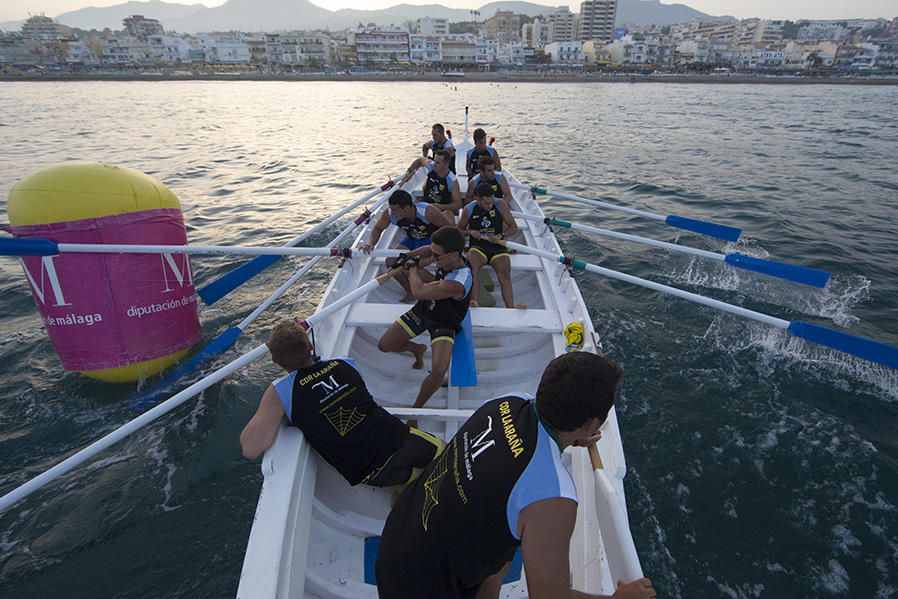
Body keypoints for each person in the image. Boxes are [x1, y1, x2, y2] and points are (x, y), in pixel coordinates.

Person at [375, 351, 656, 599]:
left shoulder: (507, 402)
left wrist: (575, 436)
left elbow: (526, 442)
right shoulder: (552, 496)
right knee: (513, 529)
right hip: (417, 589)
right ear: (589, 423)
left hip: (395, 542)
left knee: (506, 533)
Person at [240, 321, 444, 487]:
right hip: (399, 440)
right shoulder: (344, 364)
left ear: (275, 360)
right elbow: (361, 393)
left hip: (372, 473)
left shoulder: (281, 391)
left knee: (416, 475)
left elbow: (250, 449)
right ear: (311, 347)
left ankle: (412, 482)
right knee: (442, 452)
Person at [377, 226, 472, 422]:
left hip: (445, 320)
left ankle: (416, 410)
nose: (433, 258)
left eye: (437, 257)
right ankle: (417, 349)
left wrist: (412, 268)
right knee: (385, 345)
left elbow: (418, 291)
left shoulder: (458, 282)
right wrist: (408, 255)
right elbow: (428, 250)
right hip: (425, 310)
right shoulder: (448, 256)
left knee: (438, 370)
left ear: (454, 255)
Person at [362, 189, 453, 302]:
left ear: (406, 208)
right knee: (390, 261)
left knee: (409, 266)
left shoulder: (427, 211)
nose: (392, 212)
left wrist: (435, 250)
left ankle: (439, 286)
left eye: (395, 210)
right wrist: (370, 244)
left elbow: (449, 231)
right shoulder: (390, 214)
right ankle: (410, 291)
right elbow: (378, 228)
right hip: (412, 238)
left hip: (430, 240)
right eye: (391, 209)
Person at [459, 182, 525, 309]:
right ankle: (474, 302)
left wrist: (501, 235)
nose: (490, 205)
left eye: (491, 202)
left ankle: (510, 307)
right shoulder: (469, 209)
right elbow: (459, 230)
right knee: (472, 269)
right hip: (478, 247)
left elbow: (513, 228)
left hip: (497, 246)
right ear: (477, 199)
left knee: (505, 272)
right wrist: (470, 232)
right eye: (486, 203)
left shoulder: (500, 204)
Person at [398, 150, 463, 219]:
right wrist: (409, 171)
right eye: (434, 161)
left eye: (438, 162)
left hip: (441, 208)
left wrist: (441, 206)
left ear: (446, 164)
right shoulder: (431, 166)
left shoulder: (453, 181)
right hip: (426, 202)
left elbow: (458, 204)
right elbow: (420, 160)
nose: (434, 164)